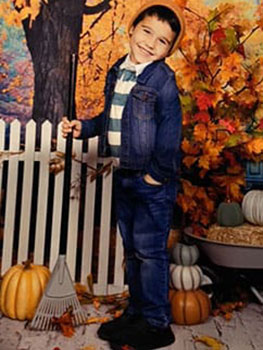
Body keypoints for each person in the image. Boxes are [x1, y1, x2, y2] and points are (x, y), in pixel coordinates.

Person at [62, 1, 185, 349]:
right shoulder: (118, 70)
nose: (150, 43)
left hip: (151, 182)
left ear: (168, 50)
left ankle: (157, 323)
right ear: (131, 29)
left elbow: (170, 134)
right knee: (131, 251)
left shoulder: (162, 80)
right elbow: (111, 119)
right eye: (147, 31)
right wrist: (82, 128)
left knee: (150, 253)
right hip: (124, 175)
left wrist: (156, 177)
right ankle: (137, 312)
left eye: (162, 41)